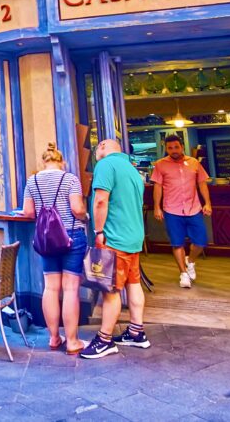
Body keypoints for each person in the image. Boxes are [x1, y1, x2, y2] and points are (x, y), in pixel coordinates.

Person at [80, 140, 149, 359]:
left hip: (116, 237)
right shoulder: (132, 169)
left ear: (102, 147)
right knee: (133, 283)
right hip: (134, 236)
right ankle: (136, 332)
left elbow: (101, 200)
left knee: (110, 289)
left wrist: (98, 231)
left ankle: (104, 339)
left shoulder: (105, 165)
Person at [21, 144, 88, 354]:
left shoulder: (32, 181)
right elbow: (77, 209)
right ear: (62, 161)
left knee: (50, 288)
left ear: (44, 162)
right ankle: (72, 341)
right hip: (71, 236)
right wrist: (85, 215)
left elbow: (28, 213)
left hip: (47, 240)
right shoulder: (70, 179)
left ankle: (53, 337)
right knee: (70, 288)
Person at [152, 135, 212, 288]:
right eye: (170, 148)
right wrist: (157, 207)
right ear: (166, 149)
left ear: (182, 147)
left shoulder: (194, 163)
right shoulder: (160, 165)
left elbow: (202, 184)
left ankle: (190, 261)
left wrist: (208, 203)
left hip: (194, 208)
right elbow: (157, 187)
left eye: (176, 147)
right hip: (172, 209)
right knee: (177, 243)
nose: (174, 151)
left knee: (200, 241)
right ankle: (183, 274)